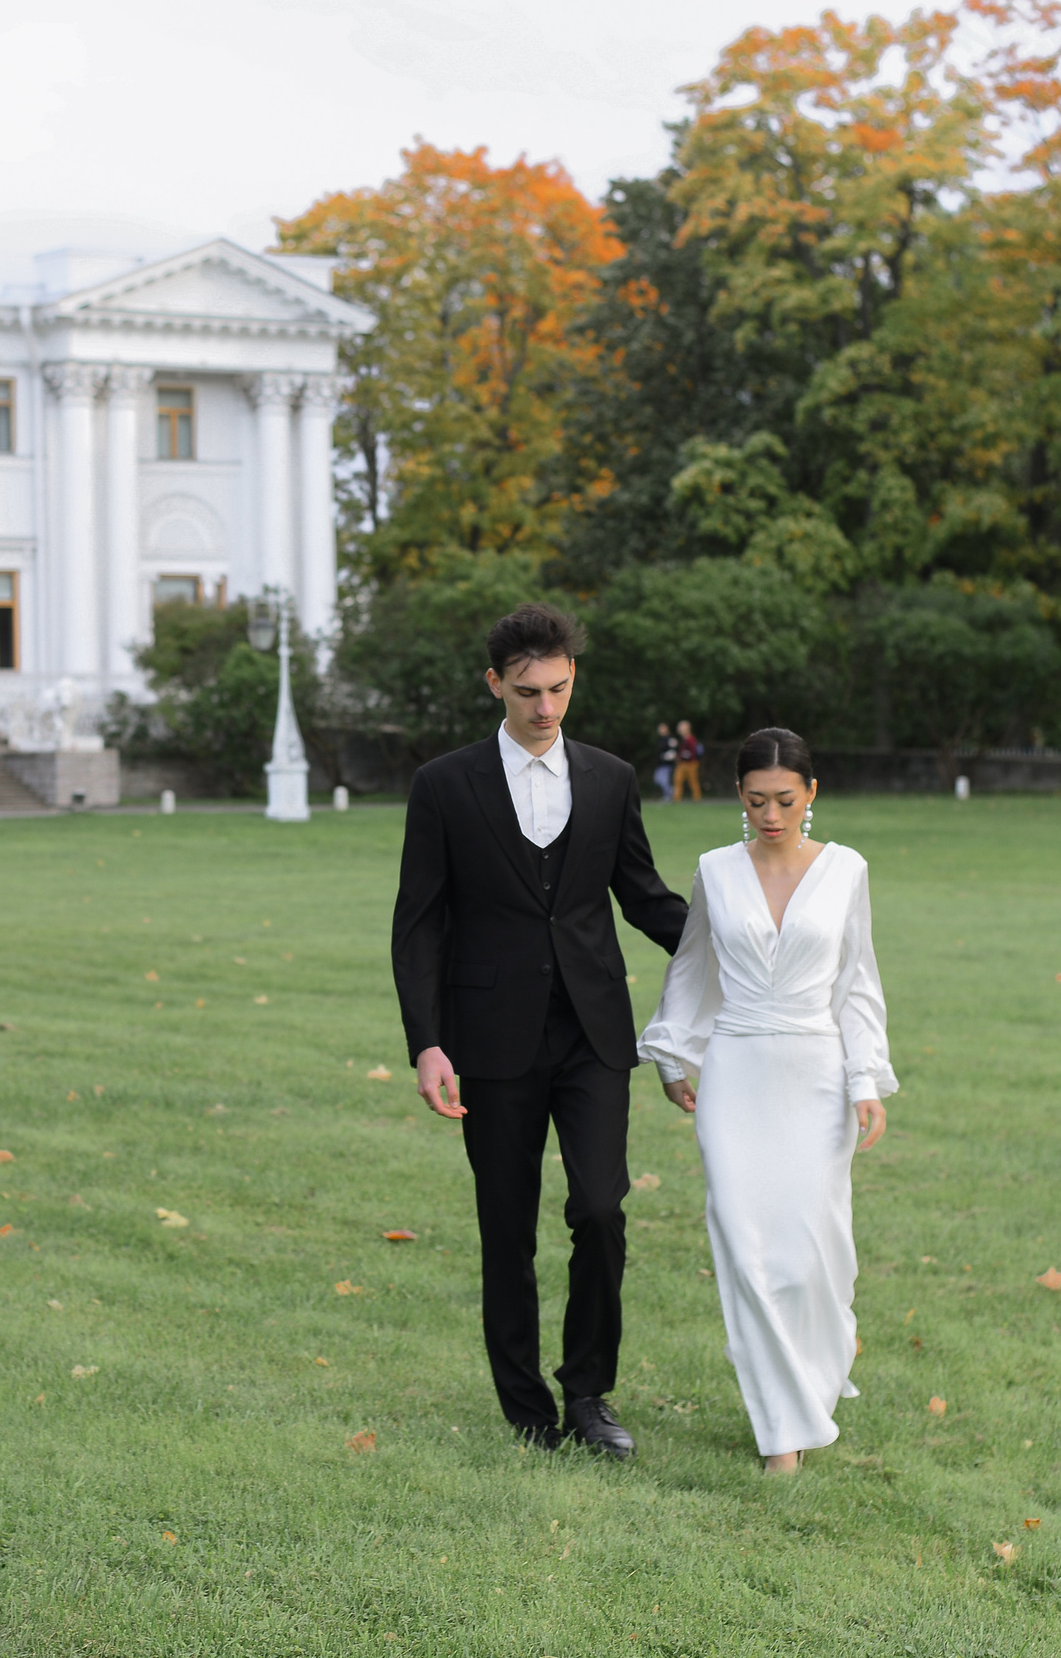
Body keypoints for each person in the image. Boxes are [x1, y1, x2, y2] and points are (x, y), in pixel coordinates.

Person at [390, 602, 689, 1460]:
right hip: (488, 1039)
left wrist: (740, 939)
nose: (546, 708)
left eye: (558, 688)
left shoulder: (611, 776)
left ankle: (589, 1393)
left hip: (594, 1033)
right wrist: (427, 1040)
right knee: (507, 1224)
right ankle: (526, 1410)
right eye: (528, 692)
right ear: (495, 684)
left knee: (600, 1208)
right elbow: (419, 923)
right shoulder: (444, 785)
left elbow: (644, 896)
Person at [638, 729, 894, 1475]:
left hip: (817, 1072)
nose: (771, 815)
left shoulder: (846, 870)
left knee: (810, 1250)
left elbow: (857, 983)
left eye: (785, 800)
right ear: (739, 798)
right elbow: (691, 973)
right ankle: (781, 1432)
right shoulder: (717, 871)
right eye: (756, 801)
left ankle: (822, 1353)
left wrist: (865, 1078)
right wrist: (670, 1057)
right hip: (735, 1072)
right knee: (745, 1249)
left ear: (811, 794)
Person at [673, 720, 704, 802]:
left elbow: (692, 752)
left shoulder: (690, 739)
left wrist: (683, 756)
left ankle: (697, 798)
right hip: (682, 763)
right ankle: (676, 799)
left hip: (691, 763)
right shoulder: (684, 739)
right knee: (677, 780)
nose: (679, 729)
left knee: (693, 781)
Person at [652, 723, 679, 802]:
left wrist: (667, 757)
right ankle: (671, 792)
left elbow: (674, 750)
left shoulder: (670, 739)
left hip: (667, 764)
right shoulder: (660, 739)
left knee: (664, 781)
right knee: (657, 780)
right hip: (660, 764)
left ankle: (669, 795)